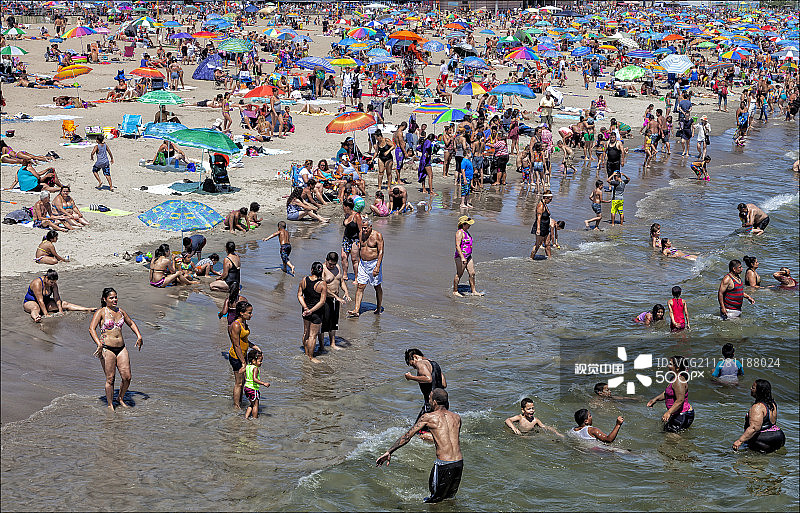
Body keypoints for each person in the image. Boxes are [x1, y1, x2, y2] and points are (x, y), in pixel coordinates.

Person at [376, 388, 463, 504]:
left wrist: (389, 451)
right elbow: (449, 439)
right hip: (458, 463)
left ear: (435, 402)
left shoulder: (428, 417)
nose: (429, 401)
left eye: (430, 398)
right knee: (449, 500)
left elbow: (407, 437)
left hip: (444, 465)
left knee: (434, 502)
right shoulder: (457, 417)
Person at [88, 288, 143, 411]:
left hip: (121, 348)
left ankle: (120, 398)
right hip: (107, 349)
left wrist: (139, 336)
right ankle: (110, 404)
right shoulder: (101, 312)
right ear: (104, 299)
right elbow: (92, 329)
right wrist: (99, 344)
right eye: (111, 298)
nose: (114, 300)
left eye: (116, 297)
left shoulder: (120, 311)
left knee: (127, 377)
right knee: (110, 378)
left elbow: (131, 323)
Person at [733, 379, 786, 454]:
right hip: (779, 436)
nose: (751, 389)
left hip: (764, 440)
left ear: (759, 391)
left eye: (753, 388)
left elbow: (754, 428)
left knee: (754, 463)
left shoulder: (757, 407)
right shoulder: (772, 403)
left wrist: (740, 441)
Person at [23, 269, 94, 322]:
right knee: (36, 308)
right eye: (51, 282)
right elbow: (40, 301)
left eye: (54, 282)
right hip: (30, 302)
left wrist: (60, 311)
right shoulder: (37, 283)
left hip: (46, 303)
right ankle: (36, 317)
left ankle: (86, 309)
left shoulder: (53, 284)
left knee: (64, 304)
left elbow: (57, 298)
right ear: (46, 278)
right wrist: (46, 314)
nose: (53, 284)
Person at [647, 356, 694, 432]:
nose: (667, 366)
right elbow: (667, 393)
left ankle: (686, 444)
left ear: (677, 368)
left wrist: (668, 412)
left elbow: (680, 400)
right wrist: (655, 399)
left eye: (670, 364)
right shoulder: (674, 378)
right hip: (677, 414)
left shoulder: (679, 381)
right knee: (668, 433)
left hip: (682, 414)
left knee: (671, 439)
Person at [348, 218, 384, 317]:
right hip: (363, 264)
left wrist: (377, 267)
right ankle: (356, 310)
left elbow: (381, 252)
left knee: (377, 286)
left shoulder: (377, 236)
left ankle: (379, 306)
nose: (364, 230)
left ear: (370, 227)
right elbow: (360, 248)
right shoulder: (361, 234)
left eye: (366, 228)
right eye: (363, 228)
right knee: (360, 286)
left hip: (374, 263)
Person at [228, 301, 260, 409]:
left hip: (243, 355)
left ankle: (240, 402)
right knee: (239, 383)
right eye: (249, 313)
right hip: (236, 356)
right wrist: (243, 362)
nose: (251, 315)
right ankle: (236, 406)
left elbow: (244, 340)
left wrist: (253, 346)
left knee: (243, 381)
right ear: (241, 313)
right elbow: (236, 345)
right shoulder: (236, 325)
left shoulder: (244, 323)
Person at [298, 262, 327, 363]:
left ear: (311, 270)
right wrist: (311, 311)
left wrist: (305, 308)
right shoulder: (322, 284)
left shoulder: (304, 280)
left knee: (306, 332)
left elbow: (300, 295)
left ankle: (306, 353)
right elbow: (322, 301)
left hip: (305, 310)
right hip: (316, 312)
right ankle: (311, 357)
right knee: (312, 335)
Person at [320, 252, 349, 352]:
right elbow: (323, 286)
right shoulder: (322, 269)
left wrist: (346, 292)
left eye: (333, 264)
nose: (332, 266)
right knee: (324, 324)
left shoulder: (337, 267)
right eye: (330, 264)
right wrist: (336, 297)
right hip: (325, 299)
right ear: (326, 260)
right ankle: (322, 346)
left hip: (336, 299)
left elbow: (341, 282)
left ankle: (333, 343)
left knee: (334, 323)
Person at [453, 216, 482, 297]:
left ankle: (474, 291)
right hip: (460, 257)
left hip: (468, 256)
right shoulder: (459, 232)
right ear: (463, 224)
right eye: (468, 224)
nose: (470, 225)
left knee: (472, 273)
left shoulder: (467, 232)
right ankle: (455, 291)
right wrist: (462, 257)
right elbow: (457, 246)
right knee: (459, 274)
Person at [243, 349, 270, 419]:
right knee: (256, 405)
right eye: (260, 361)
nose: (261, 363)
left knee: (252, 404)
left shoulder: (248, 366)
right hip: (253, 389)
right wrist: (264, 383)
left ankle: (246, 417)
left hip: (246, 388)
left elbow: (245, 377)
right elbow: (255, 379)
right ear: (253, 361)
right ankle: (255, 419)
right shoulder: (255, 369)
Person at [341, 197, 363, 281]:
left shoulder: (357, 216)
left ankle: (357, 277)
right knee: (343, 257)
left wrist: (360, 242)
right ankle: (345, 274)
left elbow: (360, 230)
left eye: (343, 207)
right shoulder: (346, 215)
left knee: (354, 259)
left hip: (355, 239)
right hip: (346, 239)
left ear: (347, 207)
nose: (343, 208)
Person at [530, 192, 553, 259]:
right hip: (540, 227)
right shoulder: (540, 206)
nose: (550, 201)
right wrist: (538, 229)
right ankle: (531, 258)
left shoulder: (545, 204)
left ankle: (549, 258)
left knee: (547, 244)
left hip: (546, 227)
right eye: (550, 199)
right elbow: (538, 218)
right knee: (538, 245)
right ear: (546, 198)